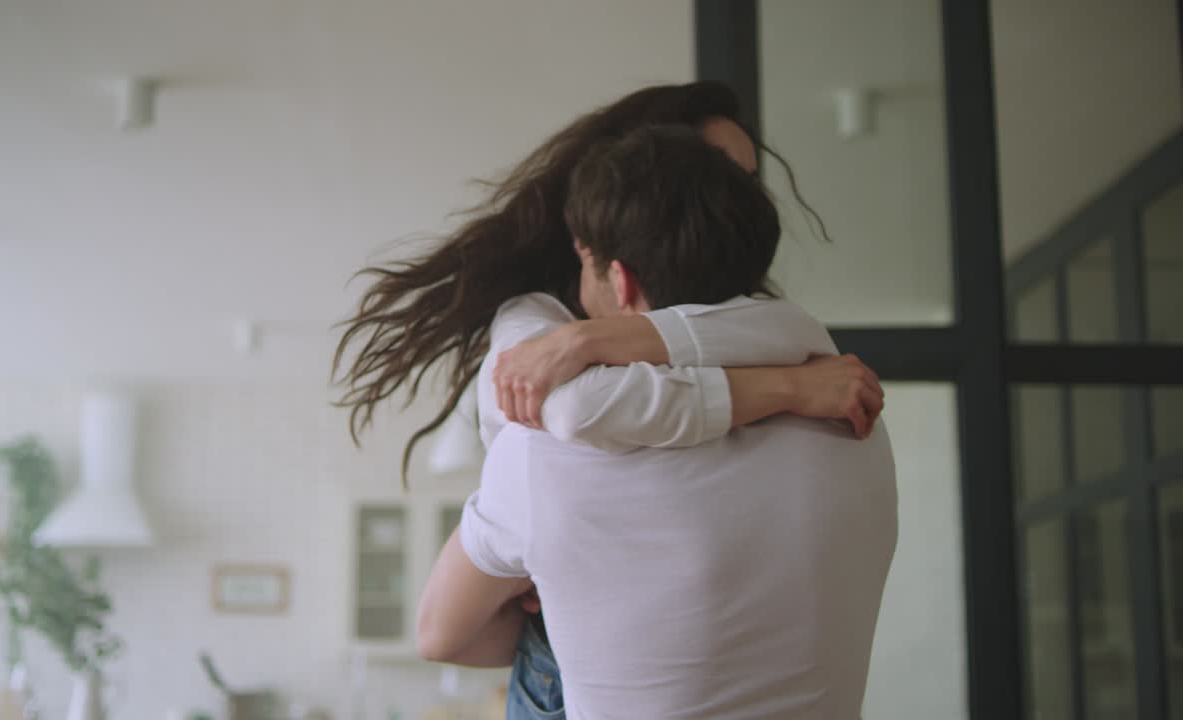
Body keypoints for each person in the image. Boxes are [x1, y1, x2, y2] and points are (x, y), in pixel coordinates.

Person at [334, 82, 886, 719]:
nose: (731, 194)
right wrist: (785, 387)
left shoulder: (551, 444)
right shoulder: (824, 383)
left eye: (743, 180)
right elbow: (576, 406)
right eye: (714, 169)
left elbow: (441, 632)